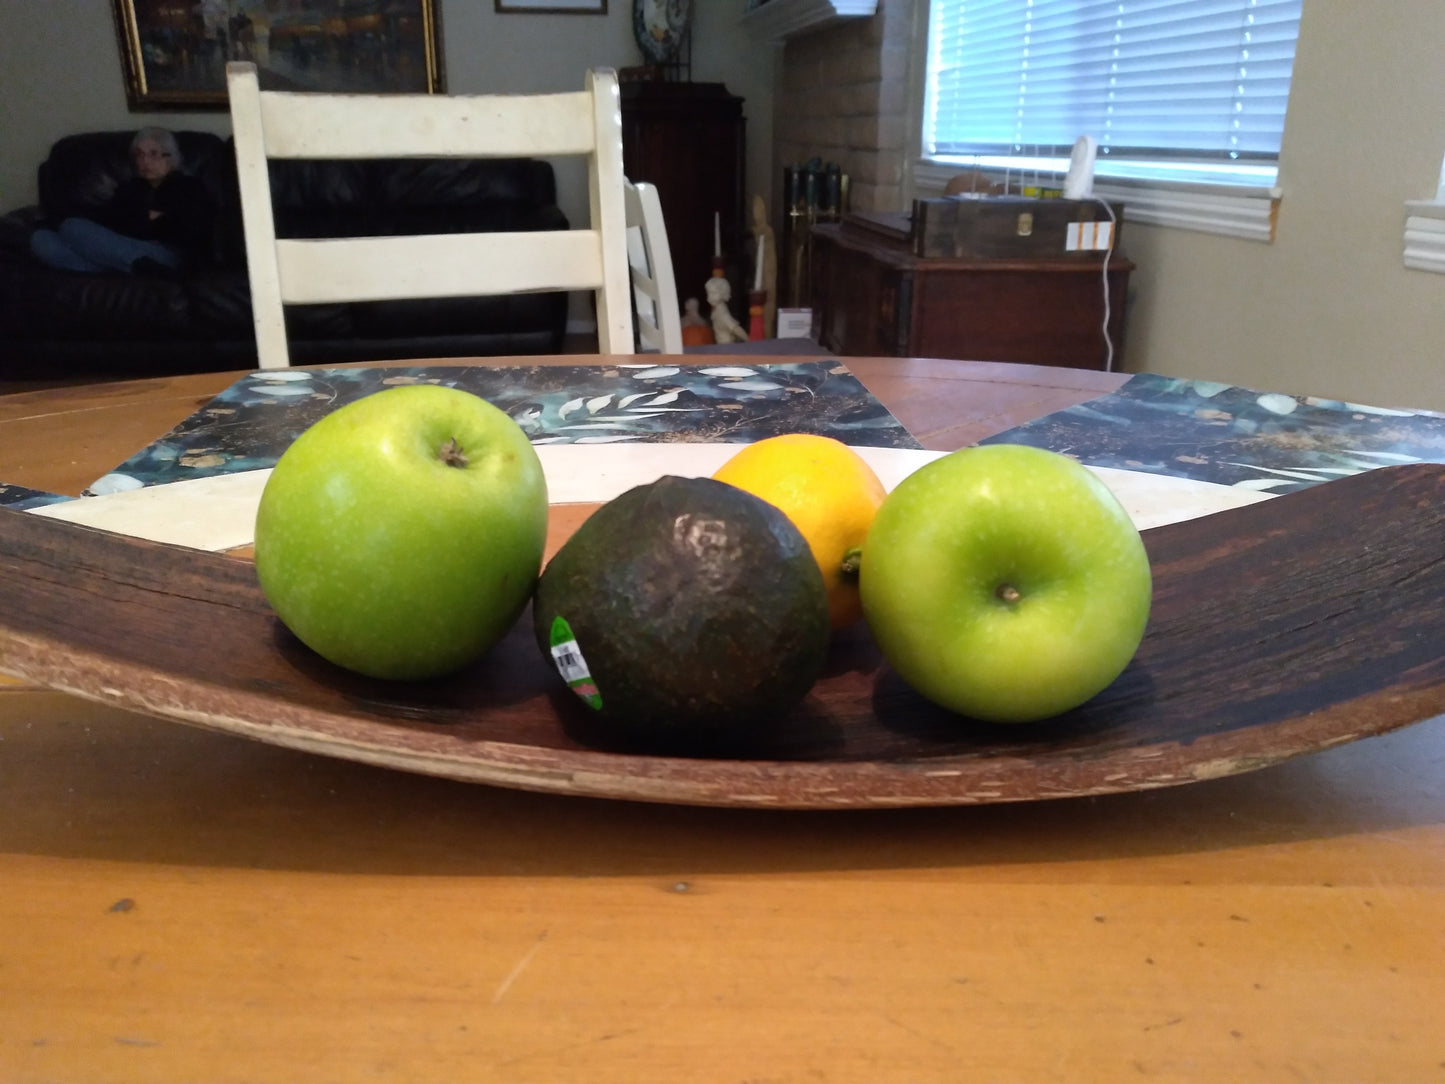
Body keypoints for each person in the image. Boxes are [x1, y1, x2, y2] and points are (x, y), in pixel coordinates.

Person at [29, 127, 213, 277]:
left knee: (72, 227)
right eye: (139, 155)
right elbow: (109, 221)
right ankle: (137, 269)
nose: (145, 161)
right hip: (121, 248)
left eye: (154, 154)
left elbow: (190, 230)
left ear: (171, 158)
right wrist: (151, 218)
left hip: (168, 254)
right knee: (42, 240)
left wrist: (142, 221)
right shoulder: (129, 188)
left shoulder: (190, 187)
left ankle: (128, 265)